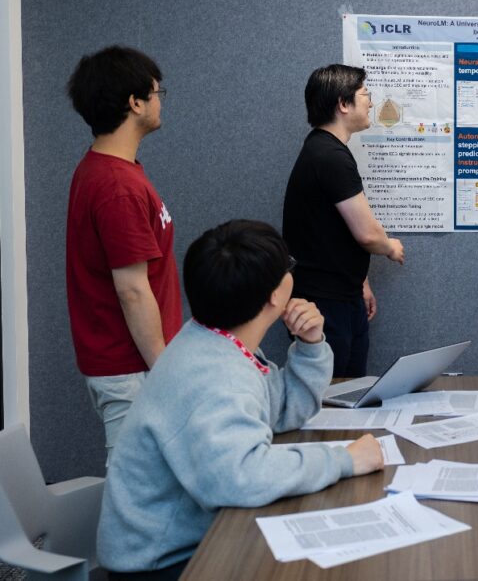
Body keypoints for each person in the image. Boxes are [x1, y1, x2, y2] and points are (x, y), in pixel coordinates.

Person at [97, 220, 384, 579]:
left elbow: (281, 409)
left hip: (188, 537)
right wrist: (343, 460)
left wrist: (311, 345)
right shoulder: (216, 377)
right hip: (162, 563)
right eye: (288, 266)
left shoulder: (214, 339)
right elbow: (242, 478)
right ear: (275, 296)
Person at [65, 46, 183, 457]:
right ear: (135, 103)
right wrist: (166, 370)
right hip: (130, 369)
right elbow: (132, 289)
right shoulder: (118, 186)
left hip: (132, 365)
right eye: (156, 92)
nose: (158, 101)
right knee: (133, 495)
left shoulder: (107, 169)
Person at [283, 64, 404, 378]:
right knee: (330, 401)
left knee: (349, 392)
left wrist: (360, 281)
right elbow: (366, 233)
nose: (372, 103)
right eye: (365, 95)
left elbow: (329, 229)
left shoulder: (325, 150)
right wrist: (390, 246)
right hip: (324, 304)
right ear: (343, 103)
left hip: (342, 296)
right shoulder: (329, 156)